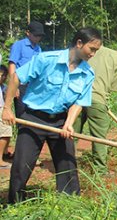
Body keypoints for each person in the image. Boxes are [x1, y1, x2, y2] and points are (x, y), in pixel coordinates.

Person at [2, 27, 101, 203]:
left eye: (96, 51)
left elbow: (79, 101)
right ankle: (14, 204)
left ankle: (69, 205)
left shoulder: (87, 73)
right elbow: (17, 77)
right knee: (21, 165)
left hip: (60, 121)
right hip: (33, 119)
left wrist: (69, 123)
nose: (93, 54)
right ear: (79, 43)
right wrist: (7, 108)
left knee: (68, 165)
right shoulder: (46, 60)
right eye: (91, 49)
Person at [75, 42, 117, 173]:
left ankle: (66, 162)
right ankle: (100, 170)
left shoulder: (99, 50)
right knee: (99, 136)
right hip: (97, 98)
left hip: (78, 95)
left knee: (73, 131)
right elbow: (114, 88)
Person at [8, 21, 45, 118]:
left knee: (33, 114)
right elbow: (12, 64)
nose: (38, 38)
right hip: (21, 84)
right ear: (28, 33)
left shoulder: (38, 48)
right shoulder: (18, 45)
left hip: (33, 85)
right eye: (36, 35)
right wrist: (14, 86)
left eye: (40, 36)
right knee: (21, 113)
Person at [0, 65, 13, 168]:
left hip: (2, 108)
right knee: (5, 133)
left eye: (4, 75)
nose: (3, 77)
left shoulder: (4, 87)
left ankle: (4, 153)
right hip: (1, 109)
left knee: (6, 133)